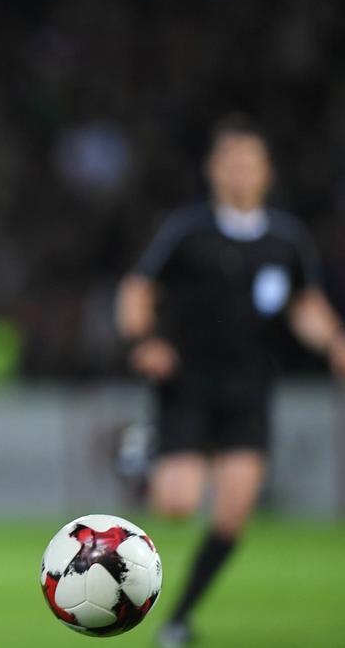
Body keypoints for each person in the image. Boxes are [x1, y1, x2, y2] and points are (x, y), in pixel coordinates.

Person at [115, 114, 345, 647]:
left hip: (249, 390)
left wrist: (334, 340)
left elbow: (304, 306)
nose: (240, 173)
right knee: (176, 505)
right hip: (188, 385)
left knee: (233, 514)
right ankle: (144, 454)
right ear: (213, 171)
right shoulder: (188, 231)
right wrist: (142, 341)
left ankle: (177, 621)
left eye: (250, 164)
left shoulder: (285, 240)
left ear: (266, 173)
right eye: (231, 163)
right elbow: (137, 288)